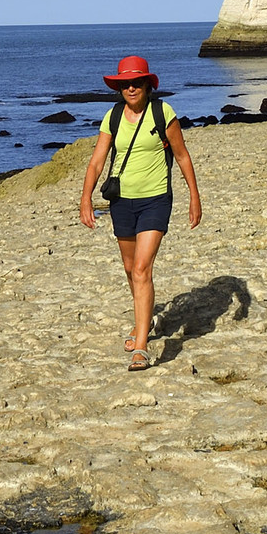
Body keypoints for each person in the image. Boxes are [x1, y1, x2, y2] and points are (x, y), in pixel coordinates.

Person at [79, 55, 201, 368]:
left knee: (142, 268)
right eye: (125, 84)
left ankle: (142, 347)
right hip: (121, 201)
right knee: (129, 267)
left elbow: (182, 156)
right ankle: (142, 319)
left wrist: (194, 196)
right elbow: (97, 161)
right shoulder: (113, 117)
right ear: (119, 88)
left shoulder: (162, 112)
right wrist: (85, 198)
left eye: (137, 82)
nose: (131, 88)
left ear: (147, 85)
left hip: (156, 199)